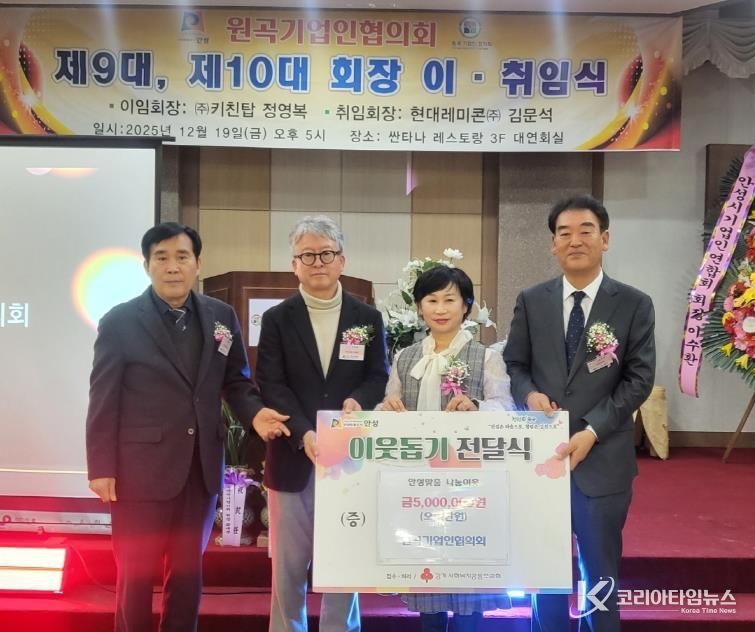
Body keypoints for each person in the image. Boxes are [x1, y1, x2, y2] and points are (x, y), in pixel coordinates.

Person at [85, 222, 290, 632]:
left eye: (182, 257)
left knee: (186, 574)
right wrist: (101, 467)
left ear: (198, 264)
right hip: (138, 472)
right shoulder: (120, 321)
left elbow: (236, 382)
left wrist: (255, 414)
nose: (172, 267)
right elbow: (103, 397)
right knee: (136, 575)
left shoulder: (220, 316)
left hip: (200, 469)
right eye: (161, 258)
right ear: (147, 265)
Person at [503, 195, 656, 632]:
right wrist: (529, 394)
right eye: (564, 233)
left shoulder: (633, 303)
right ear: (553, 244)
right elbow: (515, 364)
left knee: (600, 577)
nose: (575, 241)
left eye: (586, 231)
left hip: (602, 461)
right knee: (546, 576)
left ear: (604, 239)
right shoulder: (532, 300)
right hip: (542, 461)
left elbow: (639, 379)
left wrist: (592, 431)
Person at [255, 215, 389, 632]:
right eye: (308, 255)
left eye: (326, 254)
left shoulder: (367, 317)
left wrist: (358, 401)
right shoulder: (277, 319)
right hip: (293, 455)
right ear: (294, 264)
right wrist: (305, 431)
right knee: (289, 567)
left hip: (348, 456)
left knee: (344, 560)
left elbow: (378, 376)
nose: (318, 263)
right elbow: (270, 383)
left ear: (341, 260)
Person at [381, 264, 513, 632]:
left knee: (468, 582)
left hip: (469, 485)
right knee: (428, 580)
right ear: (419, 307)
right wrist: (386, 408)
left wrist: (477, 407)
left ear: (466, 306)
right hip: (419, 487)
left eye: (450, 300)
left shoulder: (486, 356)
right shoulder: (405, 357)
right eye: (432, 300)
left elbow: (506, 407)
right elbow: (387, 406)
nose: (440, 309)